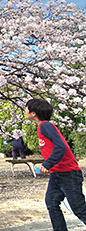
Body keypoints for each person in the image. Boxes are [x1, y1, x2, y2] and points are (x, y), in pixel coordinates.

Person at [25, 98, 86, 230]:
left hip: (68, 174)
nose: (25, 110)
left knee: (79, 209)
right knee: (51, 203)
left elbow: (61, 147)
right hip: (57, 174)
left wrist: (47, 164)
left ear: (33, 113)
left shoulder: (45, 125)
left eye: (26, 108)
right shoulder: (43, 126)